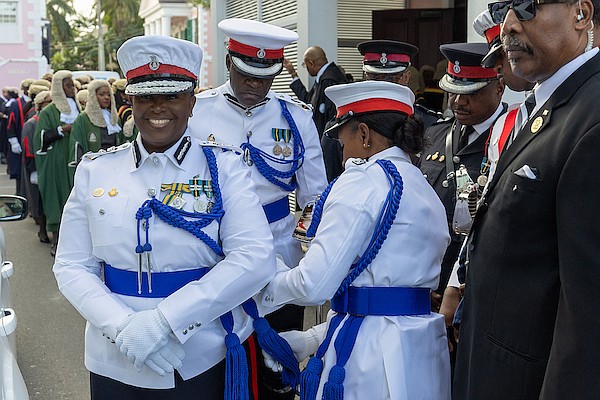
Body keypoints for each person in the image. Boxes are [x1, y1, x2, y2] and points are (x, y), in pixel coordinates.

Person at [53, 35, 278, 399]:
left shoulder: (226, 167)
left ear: (192, 102)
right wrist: (123, 326)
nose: (158, 108)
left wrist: (165, 321)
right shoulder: (95, 171)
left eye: (171, 96)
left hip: (203, 351)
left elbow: (255, 257)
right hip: (116, 354)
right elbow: (72, 266)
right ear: (130, 102)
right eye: (145, 97)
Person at [260, 80, 451, 400]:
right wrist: (312, 338)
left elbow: (312, 285)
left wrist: (267, 279)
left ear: (364, 135)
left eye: (342, 140)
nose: (342, 151)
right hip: (420, 357)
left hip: (367, 364)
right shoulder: (423, 187)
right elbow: (384, 299)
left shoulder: (362, 182)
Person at [453, 0, 600, 398]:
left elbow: (587, 319)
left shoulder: (591, 116)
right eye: (503, 9)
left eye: (526, 7)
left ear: (581, 14)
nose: (510, 25)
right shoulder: (545, 105)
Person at [189, 18, 328, 399]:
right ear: (229, 62)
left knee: (276, 366)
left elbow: (316, 196)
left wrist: (317, 254)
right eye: (247, 74)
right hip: (213, 252)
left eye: (265, 77)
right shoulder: (197, 112)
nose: (255, 85)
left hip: (277, 258)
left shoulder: (296, 118)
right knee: (212, 359)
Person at [33, 70, 80, 256]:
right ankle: (57, 240)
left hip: (74, 160)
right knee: (57, 199)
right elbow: (41, 138)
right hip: (56, 163)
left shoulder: (79, 110)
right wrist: (62, 129)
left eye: (73, 85)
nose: (72, 88)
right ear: (59, 88)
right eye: (68, 85)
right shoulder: (48, 112)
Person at [284, 46, 347, 182]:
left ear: (311, 63)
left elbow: (331, 119)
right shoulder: (325, 78)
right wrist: (293, 74)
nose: (306, 68)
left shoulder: (329, 81)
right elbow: (309, 103)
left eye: (305, 65)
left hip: (330, 149)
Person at [68, 79, 128, 185]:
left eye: (108, 94)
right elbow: (77, 146)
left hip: (114, 166)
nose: (106, 98)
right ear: (93, 96)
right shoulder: (83, 118)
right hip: (94, 168)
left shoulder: (115, 118)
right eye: (102, 94)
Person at [21, 90, 52, 244]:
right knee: (38, 200)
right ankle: (42, 229)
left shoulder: (53, 122)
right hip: (35, 167)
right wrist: (33, 170)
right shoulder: (32, 123)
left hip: (51, 167)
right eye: (48, 102)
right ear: (40, 105)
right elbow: (28, 149)